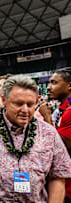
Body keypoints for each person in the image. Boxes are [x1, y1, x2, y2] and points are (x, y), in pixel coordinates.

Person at [0, 75, 71, 202]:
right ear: (4, 100)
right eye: (18, 104)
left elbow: (57, 176)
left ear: (38, 101)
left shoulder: (49, 133)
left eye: (30, 104)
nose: (25, 110)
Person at [39, 69, 71, 201]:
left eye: (54, 83)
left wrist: (46, 117)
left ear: (69, 85)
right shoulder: (62, 108)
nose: (49, 87)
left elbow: (62, 146)